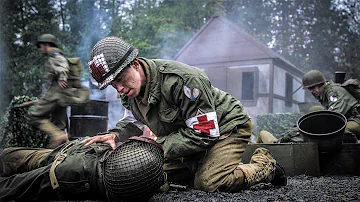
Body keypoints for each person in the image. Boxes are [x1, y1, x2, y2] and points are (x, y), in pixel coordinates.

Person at [83, 36, 287, 193]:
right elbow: (132, 122)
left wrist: (158, 146)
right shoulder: (130, 92)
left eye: (119, 78)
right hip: (187, 136)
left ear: (135, 64)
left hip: (227, 127)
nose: (118, 88)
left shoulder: (182, 80)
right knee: (147, 174)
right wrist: (115, 135)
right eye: (112, 84)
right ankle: (209, 164)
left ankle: (264, 165)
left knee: (209, 183)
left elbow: (205, 132)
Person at [0, 136, 165, 201]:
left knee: (12, 186)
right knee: (7, 156)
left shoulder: (132, 170)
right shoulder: (146, 172)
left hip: (71, 169)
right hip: (74, 154)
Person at [27, 34, 90, 148]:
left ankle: (57, 136)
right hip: (62, 96)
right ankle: (61, 151)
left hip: (55, 93)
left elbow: (62, 64)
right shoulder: (56, 55)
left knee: (33, 116)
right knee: (59, 124)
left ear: (46, 45)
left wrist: (62, 77)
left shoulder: (54, 55)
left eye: (41, 46)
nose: (41, 49)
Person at [302, 70, 360, 143]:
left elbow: (334, 115)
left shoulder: (333, 92)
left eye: (312, 88)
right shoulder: (324, 95)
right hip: (350, 119)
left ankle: (354, 151)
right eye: (309, 89)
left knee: (342, 132)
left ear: (320, 84)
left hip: (357, 119)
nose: (311, 91)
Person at [256, 105, 326, 144]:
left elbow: (285, 138)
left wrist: (279, 141)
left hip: (282, 149)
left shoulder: (301, 129)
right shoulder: (325, 134)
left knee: (263, 133)